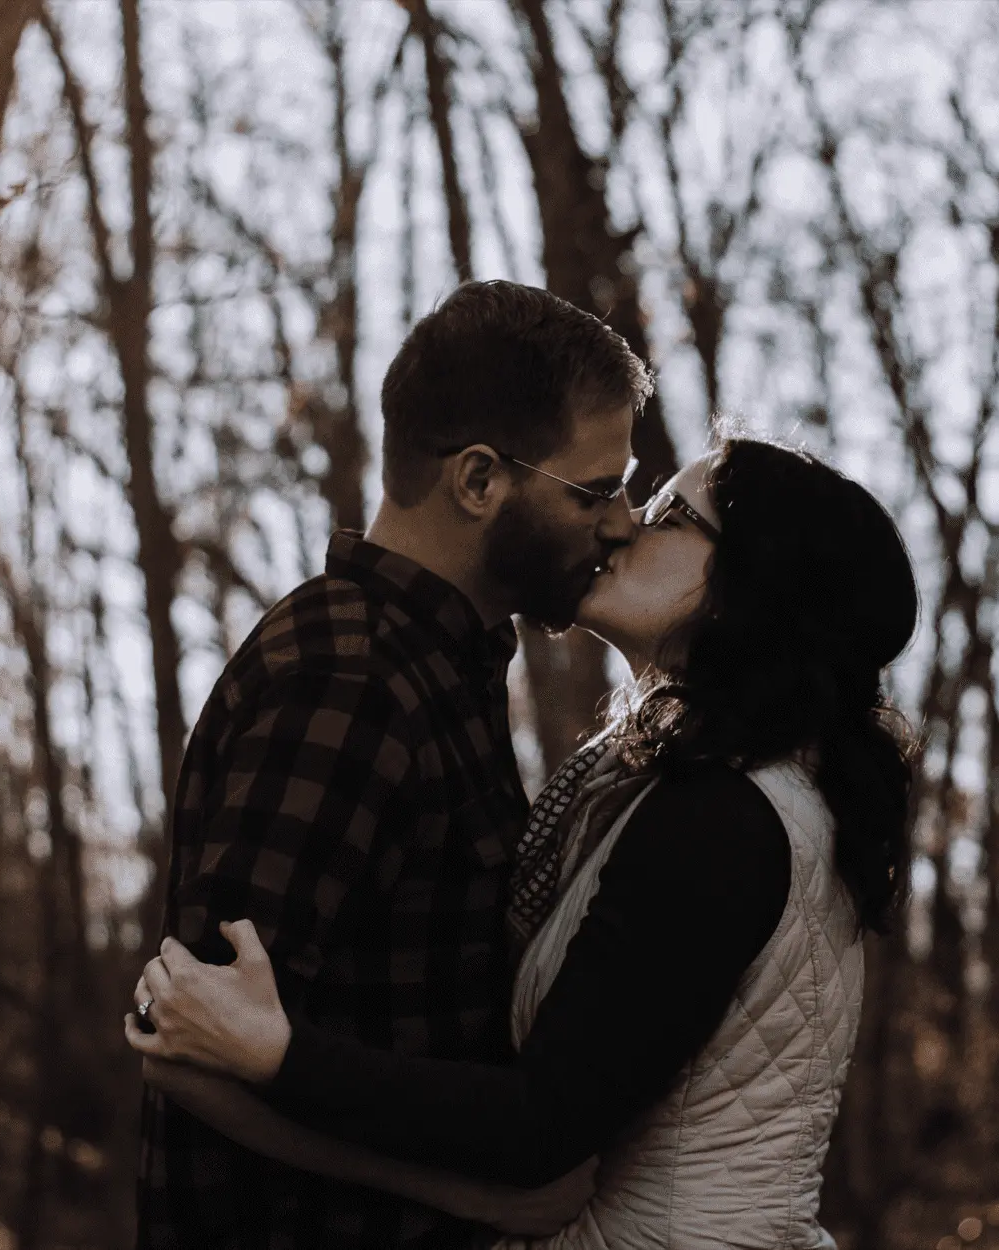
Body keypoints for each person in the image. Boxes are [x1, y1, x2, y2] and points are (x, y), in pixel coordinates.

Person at [132, 436, 921, 1249]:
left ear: (750, 584)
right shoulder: (739, 788)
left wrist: (279, 1054)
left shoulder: (726, 817)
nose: (624, 526)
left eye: (668, 516)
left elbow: (544, 1120)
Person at [134, 279, 656, 1250]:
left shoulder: (439, 666)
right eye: (596, 490)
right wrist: (473, 1194)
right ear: (477, 481)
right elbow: (185, 1047)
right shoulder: (346, 680)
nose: (623, 521)